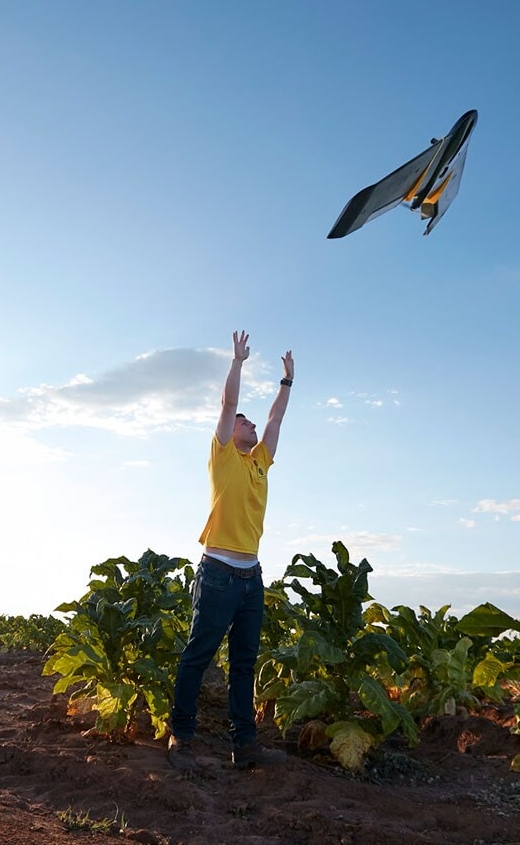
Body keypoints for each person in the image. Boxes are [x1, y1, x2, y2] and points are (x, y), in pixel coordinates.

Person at [167, 330, 294, 772]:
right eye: (245, 422)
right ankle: (181, 735)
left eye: (251, 424)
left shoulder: (260, 461)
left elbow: (276, 421)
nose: (251, 424)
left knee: (243, 664)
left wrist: (287, 383)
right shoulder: (223, 455)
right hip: (218, 571)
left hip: (250, 577)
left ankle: (245, 746)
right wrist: (237, 361)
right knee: (198, 656)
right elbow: (226, 405)